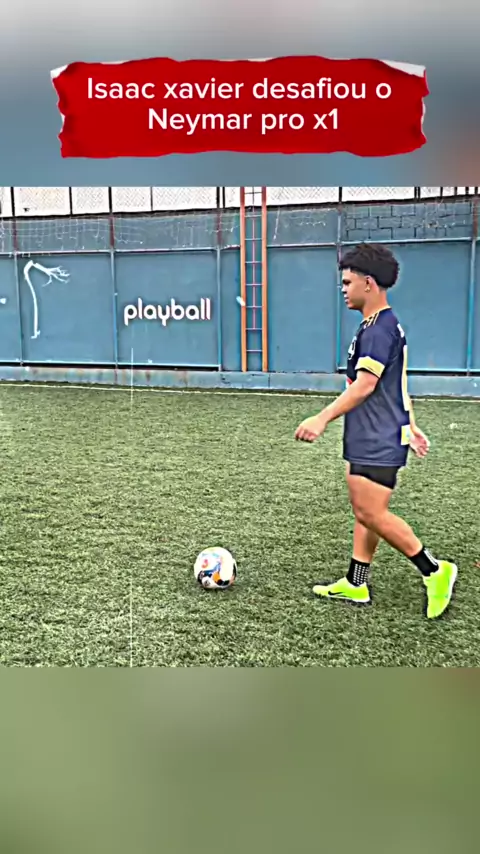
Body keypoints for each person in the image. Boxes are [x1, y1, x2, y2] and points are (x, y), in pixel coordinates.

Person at [294, 243, 457, 619]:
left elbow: (366, 385)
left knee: (370, 511)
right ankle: (356, 582)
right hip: (376, 430)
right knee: (366, 510)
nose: (343, 289)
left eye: (347, 282)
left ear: (368, 283)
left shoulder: (379, 330)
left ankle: (435, 570)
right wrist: (410, 424)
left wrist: (321, 418)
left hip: (377, 435)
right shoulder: (378, 325)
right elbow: (396, 382)